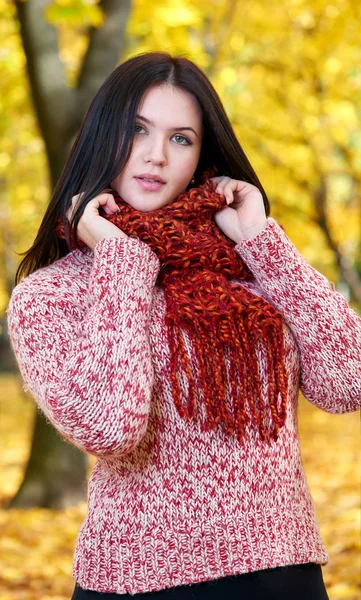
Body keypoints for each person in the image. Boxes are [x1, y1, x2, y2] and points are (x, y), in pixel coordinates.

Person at [6, 51, 360, 600]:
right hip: (137, 580)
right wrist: (119, 261)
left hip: (281, 572)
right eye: (137, 131)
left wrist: (263, 243)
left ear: (200, 155)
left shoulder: (254, 263)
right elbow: (108, 428)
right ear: (103, 138)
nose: (155, 157)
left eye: (180, 139)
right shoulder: (50, 295)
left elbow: (348, 382)